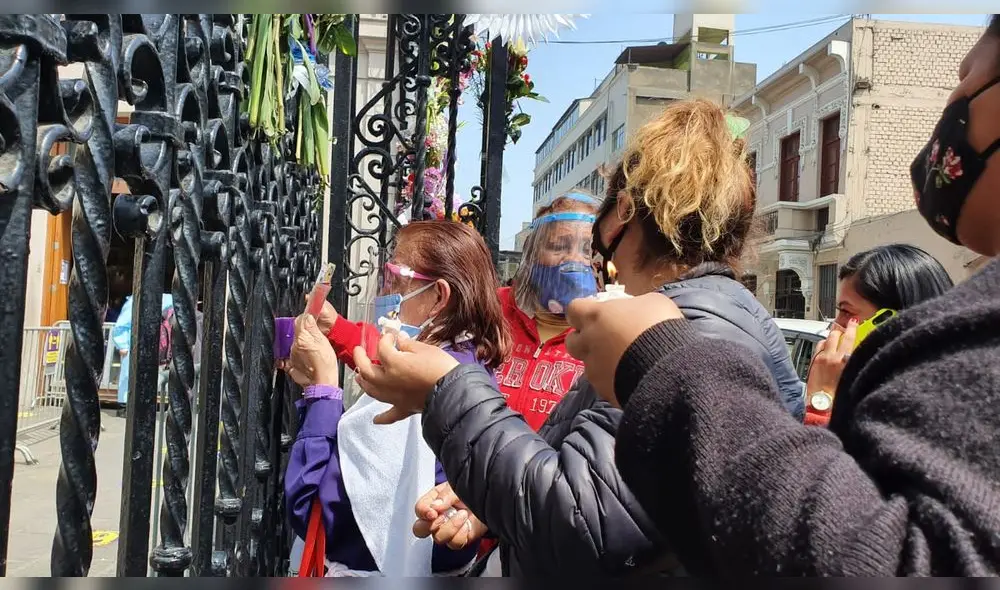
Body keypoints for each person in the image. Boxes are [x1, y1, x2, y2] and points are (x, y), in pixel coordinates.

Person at [561, 14, 1000, 576]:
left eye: (968, 78)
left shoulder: (697, 321)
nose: (953, 103)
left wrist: (663, 363)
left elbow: (887, 558)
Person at [347, 97, 803, 576]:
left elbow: (581, 521)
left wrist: (448, 388)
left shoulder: (685, 328)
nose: (582, 257)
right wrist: (492, 498)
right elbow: (579, 469)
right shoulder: (703, 315)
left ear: (622, 213)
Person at [282, 220, 510, 577]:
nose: (386, 292)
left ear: (438, 296)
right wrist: (335, 327)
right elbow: (376, 353)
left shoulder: (416, 390)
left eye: (396, 280)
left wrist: (323, 389)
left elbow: (311, 505)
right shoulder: (464, 362)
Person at [592, 103, 803, 420]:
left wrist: (485, 392)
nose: (597, 254)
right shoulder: (720, 310)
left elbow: (584, 470)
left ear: (623, 209)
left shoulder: (683, 327)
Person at [805, 244, 954, 425]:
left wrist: (822, 397)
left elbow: (819, 452)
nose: (836, 326)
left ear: (889, 321)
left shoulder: (900, 408)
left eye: (846, 312)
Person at [497, 191, 598, 430]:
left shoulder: (610, 333)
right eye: (558, 246)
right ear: (533, 255)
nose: (574, 259)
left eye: (588, 249)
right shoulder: (494, 310)